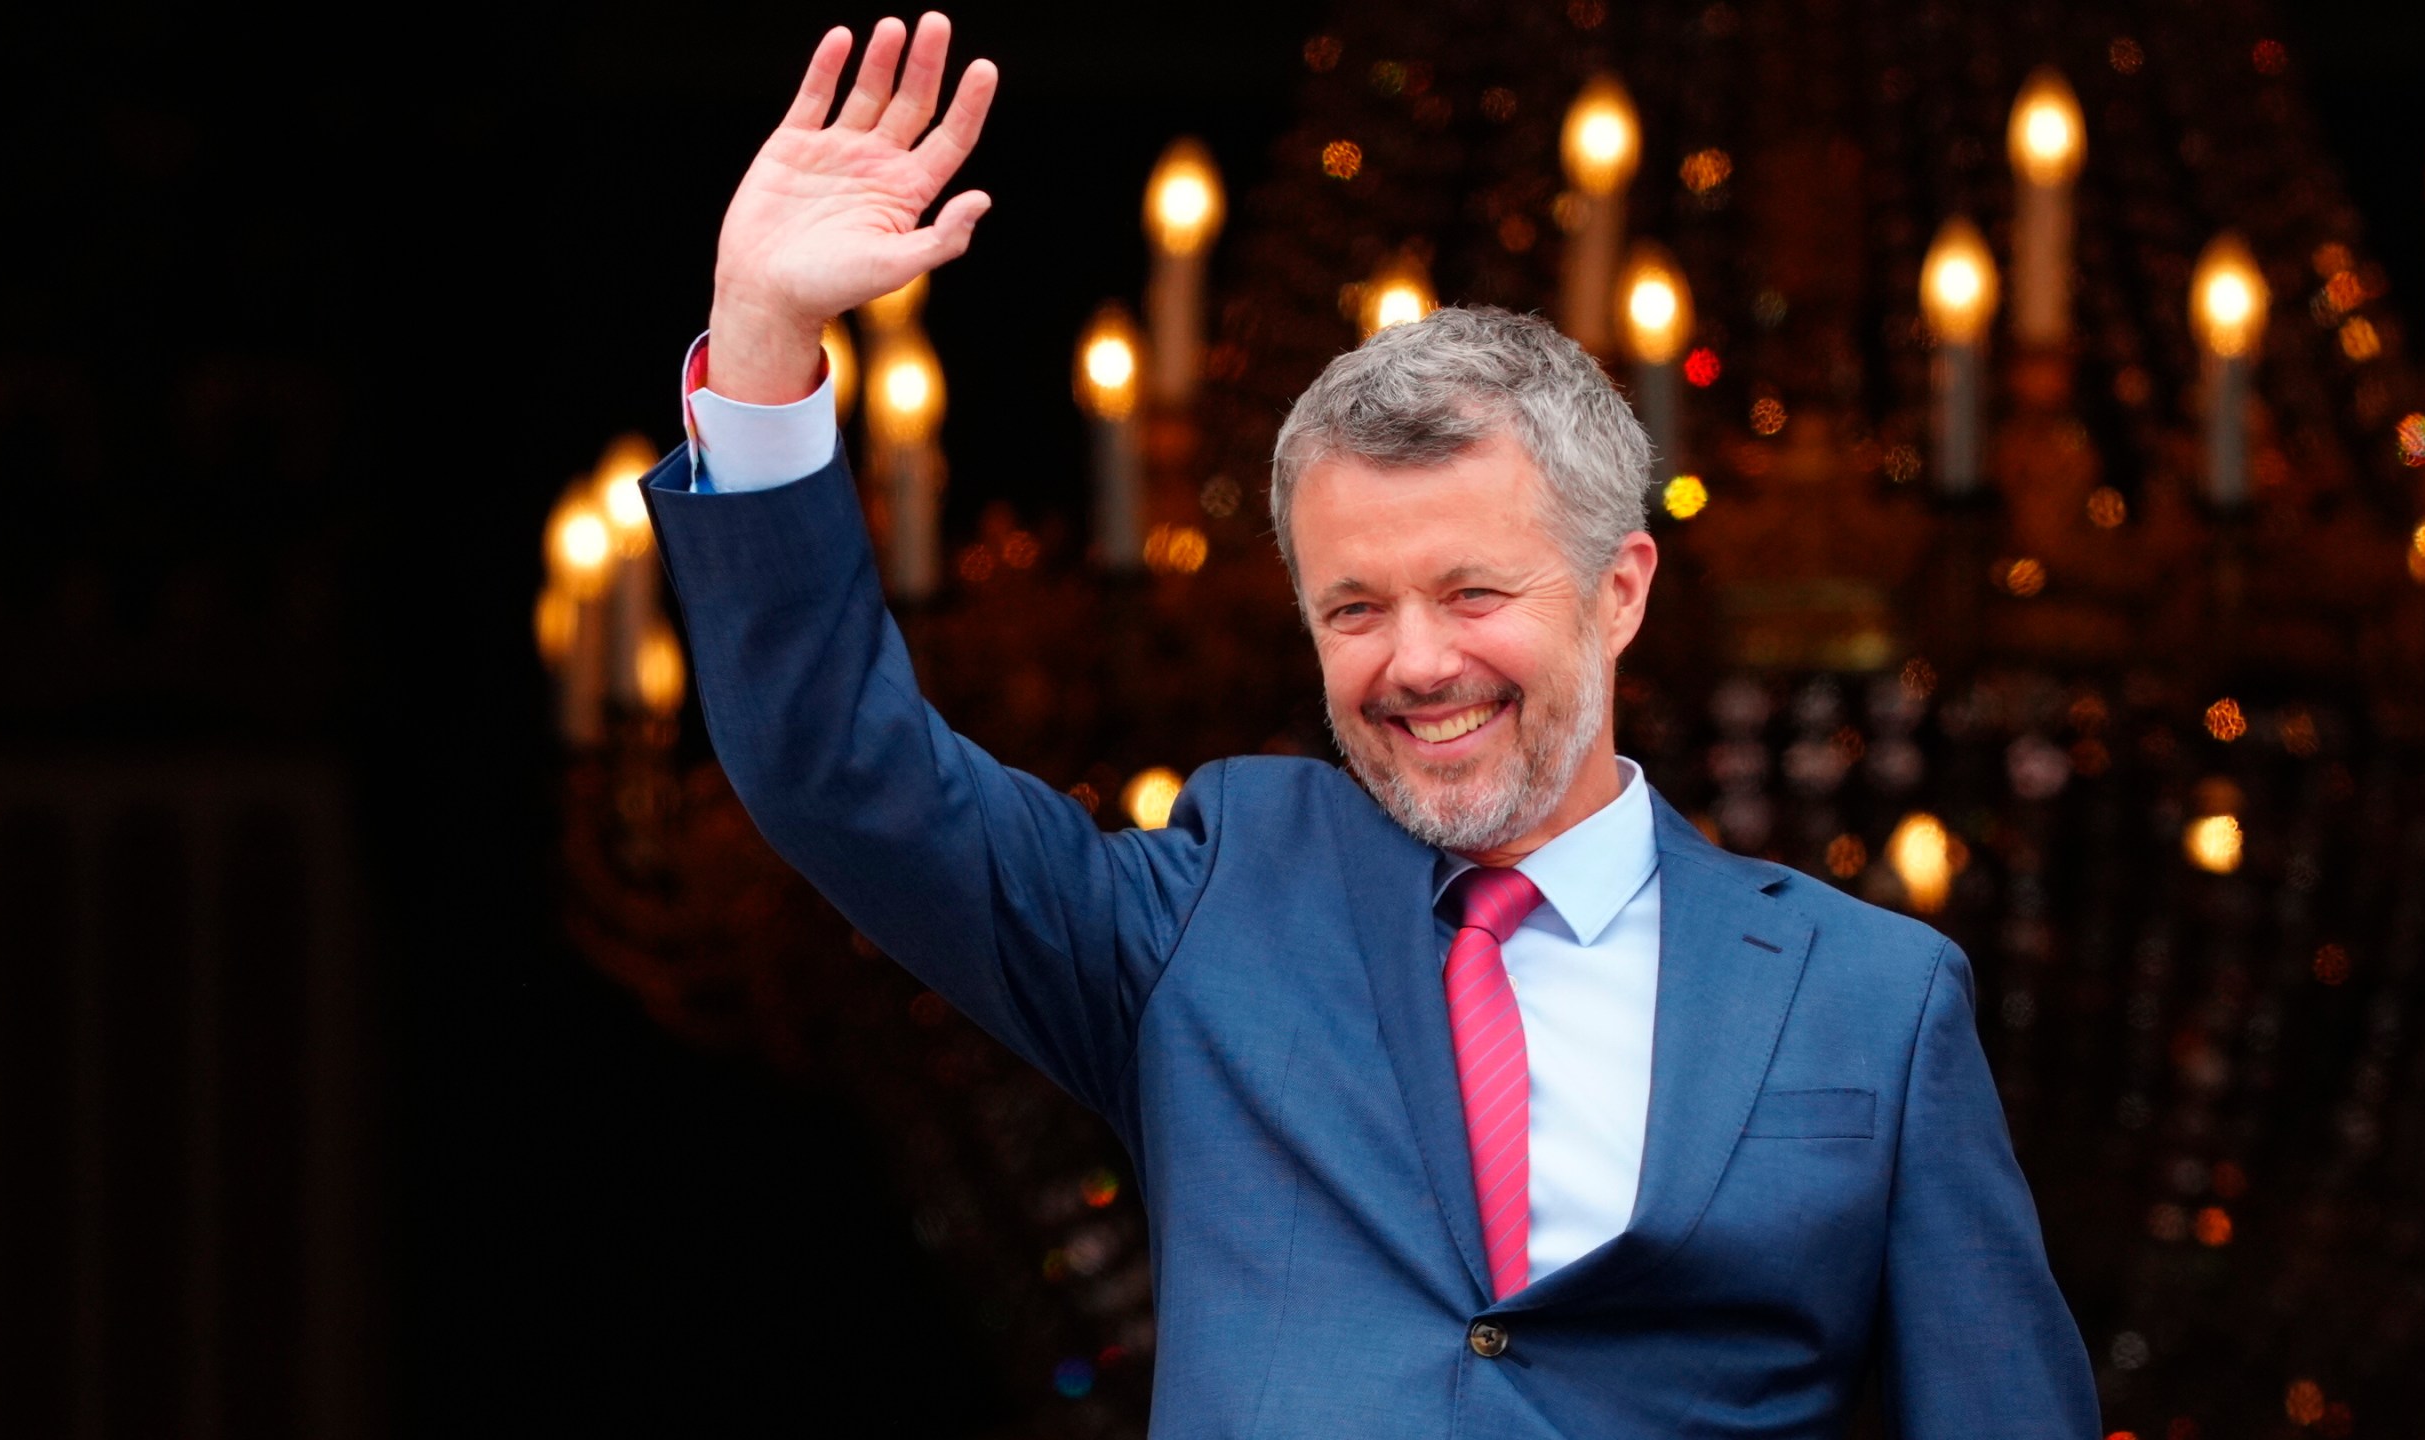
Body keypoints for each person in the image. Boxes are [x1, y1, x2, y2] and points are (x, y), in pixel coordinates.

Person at [639, 14, 2099, 1435]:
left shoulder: (1873, 998)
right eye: (1353, 609)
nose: (1416, 662)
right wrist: (764, 342)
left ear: (1620, 590)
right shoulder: (1207, 907)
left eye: (1472, 592)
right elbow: (839, 769)